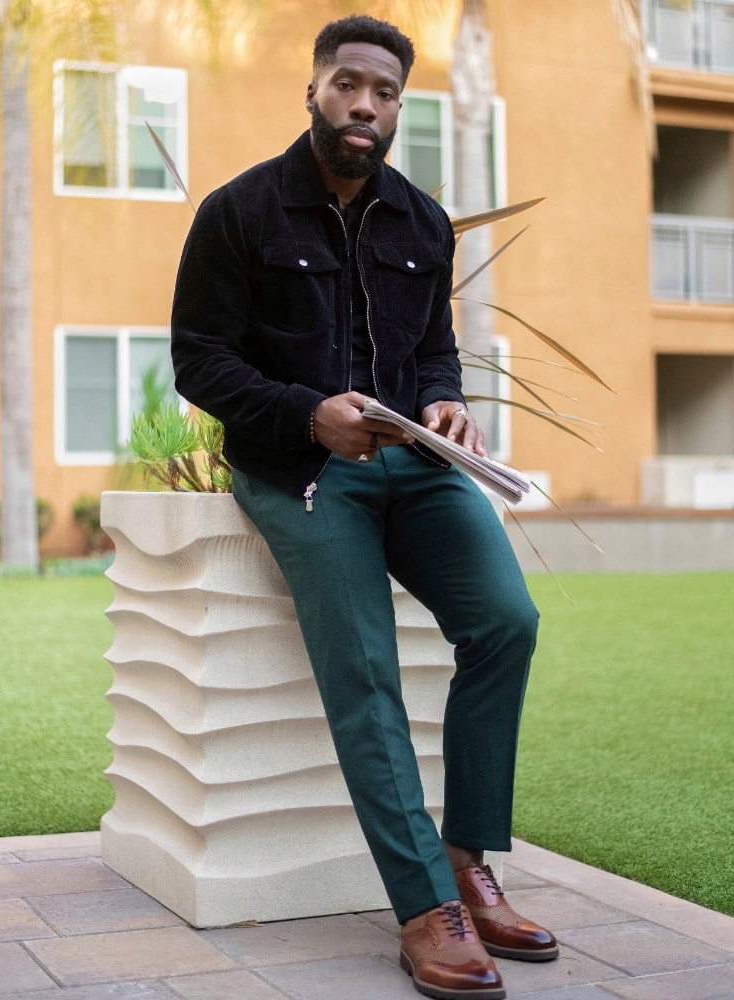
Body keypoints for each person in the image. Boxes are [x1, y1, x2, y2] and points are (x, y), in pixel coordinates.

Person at [171, 14, 558, 999]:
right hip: (297, 471)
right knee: (365, 666)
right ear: (313, 89)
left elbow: (434, 345)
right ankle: (426, 904)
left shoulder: (422, 221)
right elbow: (200, 361)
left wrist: (445, 400)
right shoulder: (239, 212)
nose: (363, 105)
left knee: (505, 620)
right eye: (347, 84)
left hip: (414, 467)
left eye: (383, 93)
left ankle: (469, 862)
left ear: (396, 107)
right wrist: (310, 416)